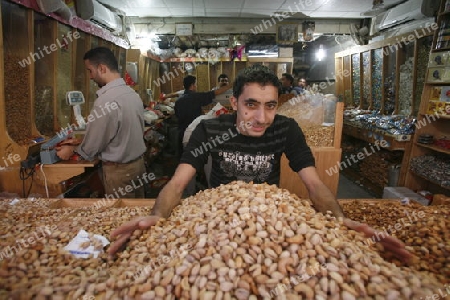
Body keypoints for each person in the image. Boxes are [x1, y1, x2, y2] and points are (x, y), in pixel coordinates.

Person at [108, 65, 413, 263]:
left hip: (271, 225)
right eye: (250, 105)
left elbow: (314, 183)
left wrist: (337, 219)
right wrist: (158, 216)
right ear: (234, 104)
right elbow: (177, 183)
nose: (261, 118)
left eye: (269, 106)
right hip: (218, 225)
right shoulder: (210, 129)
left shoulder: (285, 129)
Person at [56, 47, 147, 199]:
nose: (90, 77)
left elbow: (92, 146)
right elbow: (120, 133)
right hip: (137, 166)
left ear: (102, 68)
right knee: (137, 212)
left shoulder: (106, 100)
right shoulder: (132, 94)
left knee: (122, 216)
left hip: (120, 172)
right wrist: (80, 141)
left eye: (90, 70)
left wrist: (72, 150)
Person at [174, 75, 231, 157]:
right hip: (193, 132)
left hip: (181, 132)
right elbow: (214, 93)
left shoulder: (178, 101)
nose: (196, 86)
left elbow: (177, 115)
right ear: (193, 85)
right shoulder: (196, 97)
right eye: (195, 84)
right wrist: (232, 84)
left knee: (183, 157)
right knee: (195, 156)